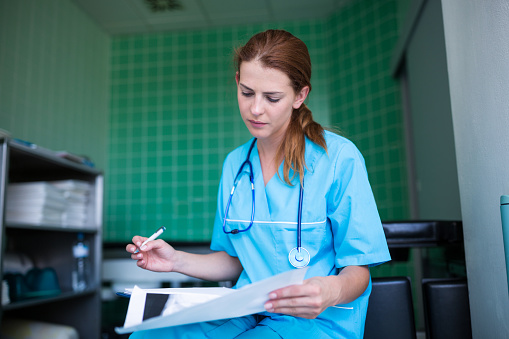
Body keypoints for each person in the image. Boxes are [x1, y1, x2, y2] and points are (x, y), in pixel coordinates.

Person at [126, 29, 391, 338]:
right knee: (148, 335)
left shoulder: (339, 159)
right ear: (237, 81)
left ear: (300, 95)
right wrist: (175, 261)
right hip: (246, 310)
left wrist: (331, 289)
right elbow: (236, 261)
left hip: (315, 321)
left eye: (272, 97)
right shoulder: (234, 165)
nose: (255, 109)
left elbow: (358, 268)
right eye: (247, 92)